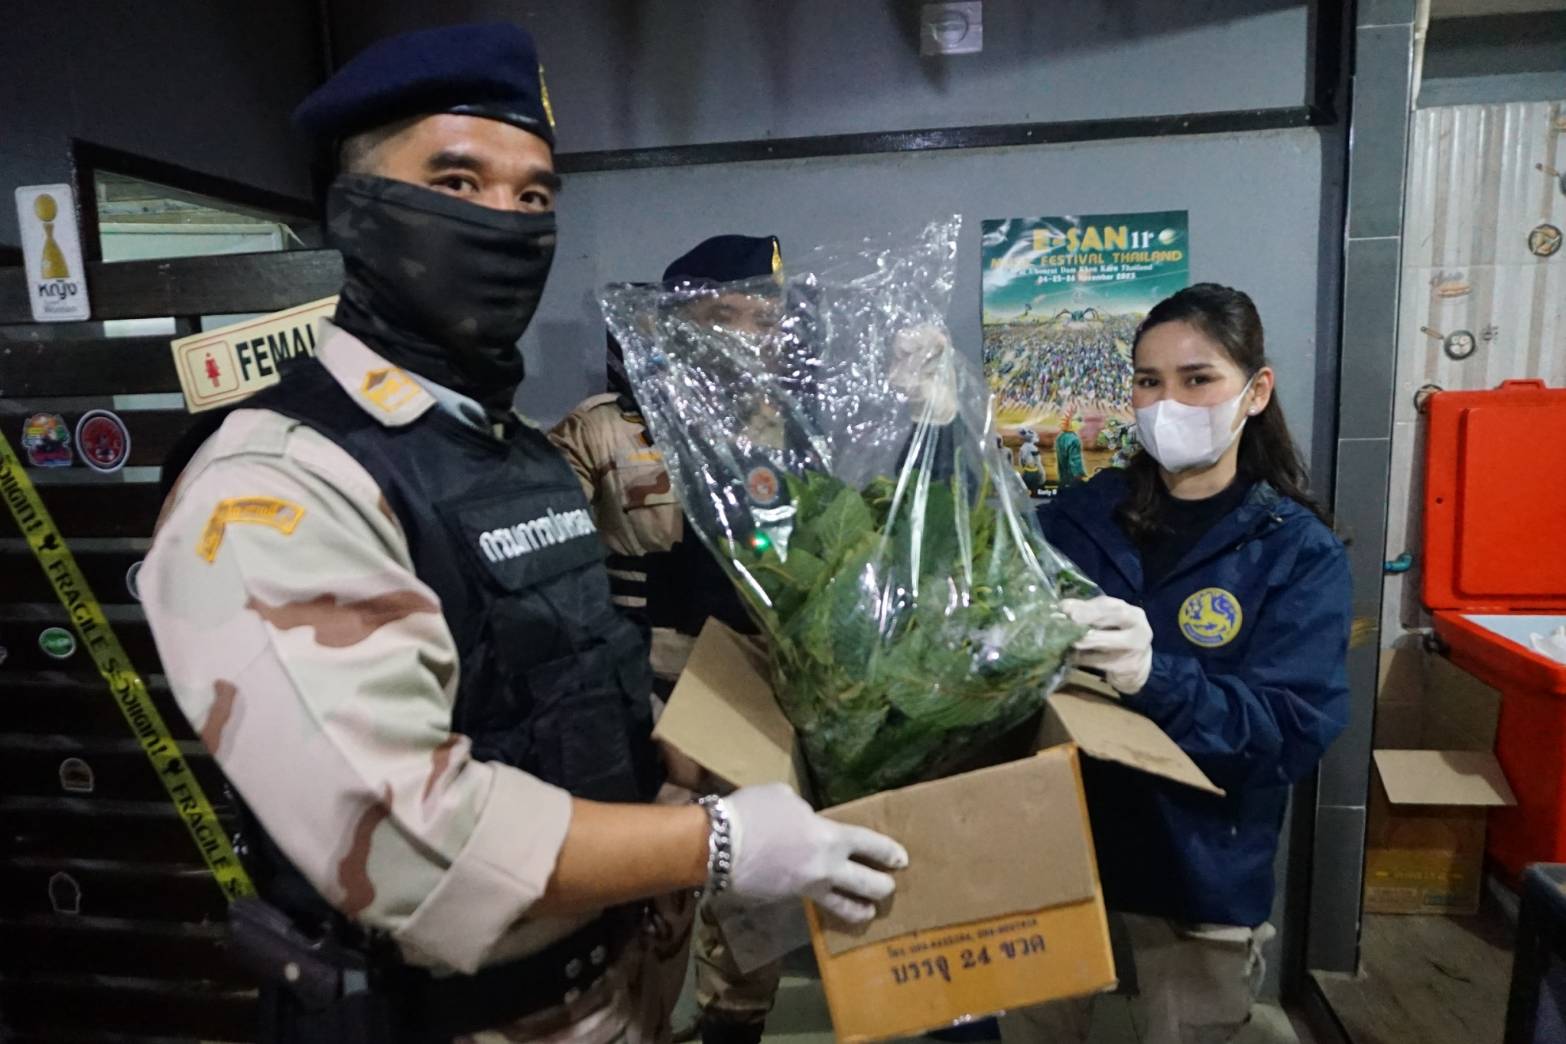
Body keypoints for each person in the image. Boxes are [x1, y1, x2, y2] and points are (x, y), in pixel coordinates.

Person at [141, 24, 906, 1044]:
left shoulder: (513, 458)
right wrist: (716, 843)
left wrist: (678, 764)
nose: (505, 222)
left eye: (534, 197)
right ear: (357, 210)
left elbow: (557, 685)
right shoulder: (277, 484)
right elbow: (414, 842)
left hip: (624, 989)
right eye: (457, 181)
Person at [1010, 283, 1350, 1044]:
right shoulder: (1076, 521)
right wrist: (936, 435)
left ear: (1256, 391)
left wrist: (1151, 675)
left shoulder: (1294, 552)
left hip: (1199, 869)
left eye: (1198, 379)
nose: (1168, 403)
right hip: (1057, 852)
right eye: (1149, 381)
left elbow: (1290, 731)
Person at [551, 235, 789, 1044]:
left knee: (753, 898)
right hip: (645, 691)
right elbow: (548, 578)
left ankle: (734, 1026)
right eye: (725, 316)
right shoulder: (603, 431)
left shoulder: (788, 427)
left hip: (757, 688)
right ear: (675, 322)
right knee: (643, 897)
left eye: (764, 320)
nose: (748, 336)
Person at [1054, 414, 1086, 489]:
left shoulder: (1060, 437)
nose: (1081, 425)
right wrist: (1079, 474)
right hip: (1073, 479)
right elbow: (1075, 460)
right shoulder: (1074, 439)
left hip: (1063, 479)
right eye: (1079, 422)